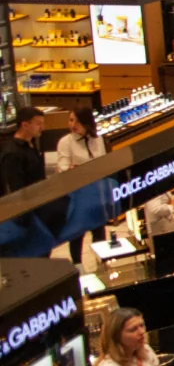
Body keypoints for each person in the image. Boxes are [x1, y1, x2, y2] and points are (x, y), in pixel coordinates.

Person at [56, 108, 106, 261]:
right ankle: (78, 267)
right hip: (77, 195)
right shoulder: (66, 142)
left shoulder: (98, 139)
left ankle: (102, 263)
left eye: (77, 121)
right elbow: (62, 167)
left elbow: (103, 163)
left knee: (99, 231)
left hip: (96, 192)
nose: (73, 125)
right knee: (77, 234)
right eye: (71, 120)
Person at [0, 108, 46, 197]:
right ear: (25, 125)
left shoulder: (31, 142)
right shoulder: (12, 152)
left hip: (39, 196)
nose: (43, 128)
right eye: (38, 124)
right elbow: (15, 188)